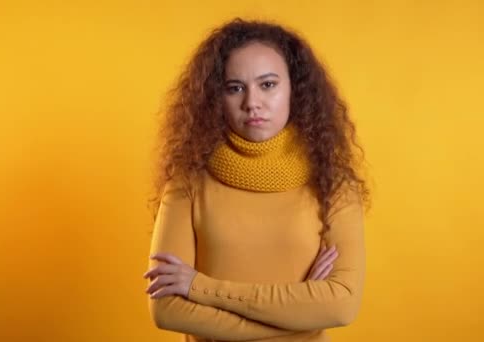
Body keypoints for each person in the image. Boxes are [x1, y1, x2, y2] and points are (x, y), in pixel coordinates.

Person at [143, 17, 370, 342]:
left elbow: (341, 307)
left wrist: (200, 287)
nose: (252, 103)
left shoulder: (333, 184)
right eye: (235, 88)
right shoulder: (187, 181)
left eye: (268, 85)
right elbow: (166, 309)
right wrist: (300, 314)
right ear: (214, 98)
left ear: (295, 88)